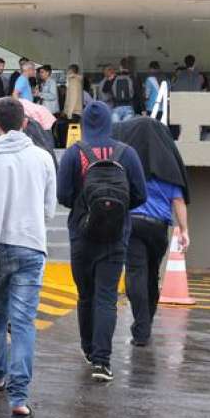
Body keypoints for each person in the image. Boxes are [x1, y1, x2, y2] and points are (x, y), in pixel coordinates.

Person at [0, 98, 56, 418]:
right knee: (22, 323)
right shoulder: (44, 158)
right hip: (31, 248)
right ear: (24, 123)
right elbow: (49, 210)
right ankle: (19, 399)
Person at [57, 102, 146, 382]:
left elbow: (62, 194)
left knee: (85, 296)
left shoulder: (74, 153)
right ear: (110, 122)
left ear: (84, 124)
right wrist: (114, 209)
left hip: (81, 236)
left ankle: (87, 348)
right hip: (116, 236)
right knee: (106, 297)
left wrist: (86, 206)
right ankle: (102, 361)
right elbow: (140, 194)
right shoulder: (126, 153)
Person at [113, 117, 190, 347]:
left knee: (135, 273)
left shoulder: (128, 164)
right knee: (152, 274)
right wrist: (185, 230)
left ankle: (141, 326)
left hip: (133, 223)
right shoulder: (169, 168)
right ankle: (147, 321)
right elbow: (179, 201)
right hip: (158, 228)